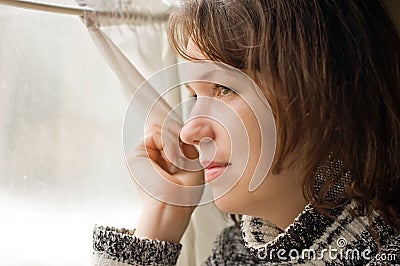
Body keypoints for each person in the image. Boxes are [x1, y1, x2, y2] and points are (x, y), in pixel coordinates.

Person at [93, 0, 400, 265]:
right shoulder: (235, 252)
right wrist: (158, 217)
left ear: (325, 89)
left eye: (224, 88)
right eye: (194, 97)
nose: (189, 132)